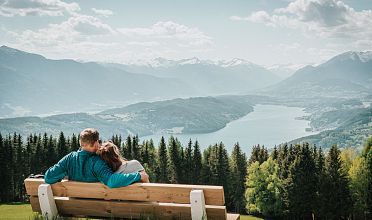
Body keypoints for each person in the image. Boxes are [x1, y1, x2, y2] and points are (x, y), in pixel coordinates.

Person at [44, 128, 149, 188]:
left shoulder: (69, 159)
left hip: (76, 205)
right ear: (95, 143)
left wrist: (63, 174)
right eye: (98, 141)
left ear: (81, 143)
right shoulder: (97, 162)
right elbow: (111, 181)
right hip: (97, 206)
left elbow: (48, 177)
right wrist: (138, 175)